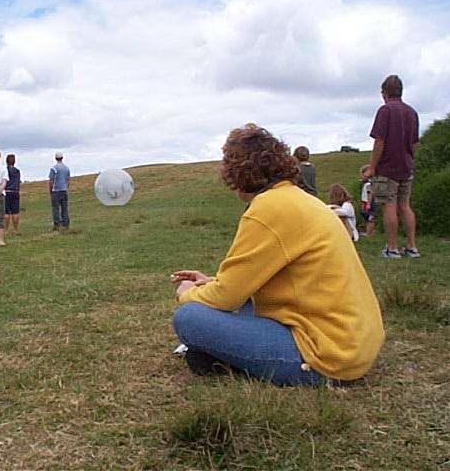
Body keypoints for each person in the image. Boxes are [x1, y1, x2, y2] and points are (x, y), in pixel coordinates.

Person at [171, 124, 384, 386]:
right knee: (247, 304)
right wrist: (211, 282)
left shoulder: (267, 208)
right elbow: (251, 279)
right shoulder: (301, 199)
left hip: (327, 356)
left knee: (189, 318)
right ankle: (225, 360)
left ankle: (234, 363)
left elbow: (227, 298)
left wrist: (188, 294)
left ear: (237, 174)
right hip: (355, 343)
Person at [362, 75, 420, 258]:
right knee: (405, 205)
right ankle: (411, 247)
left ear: (384, 92)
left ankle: (392, 248)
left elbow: (380, 141)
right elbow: (415, 143)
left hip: (387, 169)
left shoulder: (385, 110)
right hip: (406, 167)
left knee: (389, 205)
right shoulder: (412, 112)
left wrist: (372, 167)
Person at [48, 152, 70, 231]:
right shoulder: (66, 168)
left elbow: (51, 181)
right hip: (64, 191)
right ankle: (66, 224)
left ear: (55, 158)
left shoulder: (53, 168)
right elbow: (68, 180)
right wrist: (66, 188)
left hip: (56, 191)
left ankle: (57, 225)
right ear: (62, 158)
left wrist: (50, 191)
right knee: (65, 208)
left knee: (55, 209)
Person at [4, 154, 21, 233]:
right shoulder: (17, 171)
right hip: (15, 192)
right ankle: (16, 229)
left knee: (6, 212)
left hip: (6, 192)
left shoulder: (5, 171)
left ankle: (6, 230)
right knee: (15, 212)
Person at [360, 165, 376, 236]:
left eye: (362, 175)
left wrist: (369, 203)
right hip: (365, 202)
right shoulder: (366, 183)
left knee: (370, 218)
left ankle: (369, 233)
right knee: (366, 217)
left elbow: (370, 193)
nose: (361, 177)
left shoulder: (369, 184)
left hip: (368, 203)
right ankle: (368, 231)